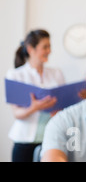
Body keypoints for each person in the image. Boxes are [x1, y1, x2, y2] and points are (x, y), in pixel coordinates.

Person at [6, 29, 65, 162]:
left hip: (51, 140)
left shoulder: (56, 73)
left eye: (49, 46)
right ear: (31, 49)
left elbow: (63, 106)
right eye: (45, 47)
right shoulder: (15, 75)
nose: (49, 51)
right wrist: (34, 107)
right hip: (24, 141)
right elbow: (17, 114)